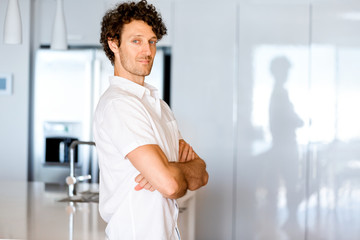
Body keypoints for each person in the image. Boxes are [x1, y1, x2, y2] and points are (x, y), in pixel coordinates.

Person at [93, 1, 209, 239]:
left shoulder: (159, 106)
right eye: (136, 40)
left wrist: (170, 169)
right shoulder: (120, 104)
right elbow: (170, 185)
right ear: (113, 43)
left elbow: (202, 175)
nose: (147, 50)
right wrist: (170, 173)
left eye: (152, 41)